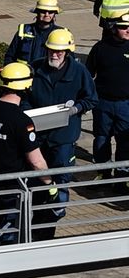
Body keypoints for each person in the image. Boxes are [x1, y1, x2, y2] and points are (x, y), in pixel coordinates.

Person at [0, 62, 56, 247]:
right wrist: (50, 183)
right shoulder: (22, 121)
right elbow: (36, 161)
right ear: (26, 87)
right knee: (6, 232)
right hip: (11, 187)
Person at [22, 29, 97, 241]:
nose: (54, 55)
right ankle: (36, 216)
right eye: (51, 50)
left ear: (68, 52)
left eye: (59, 52)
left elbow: (91, 99)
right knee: (37, 179)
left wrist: (76, 109)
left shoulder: (79, 72)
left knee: (60, 178)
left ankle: (55, 213)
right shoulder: (36, 68)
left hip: (63, 138)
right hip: (38, 137)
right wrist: (30, 113)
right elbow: (25, 95)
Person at [86, 12, 129, 186]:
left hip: (126, 104)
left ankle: (122, 177)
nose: (128, 30)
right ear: (114, 28)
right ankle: (103, 173)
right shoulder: (100, 48)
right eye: (124, 27)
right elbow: (88, 74)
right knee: (102, 139)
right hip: (103, 103)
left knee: (125, 141)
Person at [4, 0, 65, 65]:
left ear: (55, 14)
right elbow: (9, 56)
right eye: (43, 11)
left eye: (50, 12)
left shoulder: (62, 34)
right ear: (37, 12)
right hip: (25, 73)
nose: (46, 15)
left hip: (47, 75)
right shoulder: (24, 30)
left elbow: (69, 61)